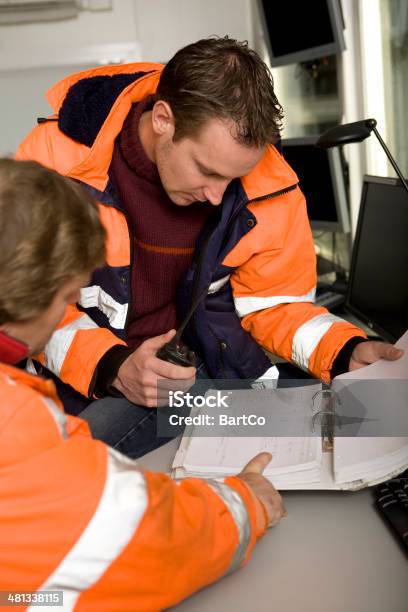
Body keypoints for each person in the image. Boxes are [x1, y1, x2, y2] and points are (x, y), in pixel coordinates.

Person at [16, 37, 403, 458]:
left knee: (369, 421)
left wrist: (345, 350)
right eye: (206, 170)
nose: (218, 196)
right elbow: (28, 307)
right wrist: (112, 366)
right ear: (163, 119)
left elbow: (276, 307)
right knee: (61, 465)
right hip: (96, 376)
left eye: (233, 179)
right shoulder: (55, 158)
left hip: (206, 374)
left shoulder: (271, 184)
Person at [0, 158, 287, 610]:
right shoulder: (14, 423)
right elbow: (150, 544)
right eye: (66, 296)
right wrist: (244, 501)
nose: (69, 308)